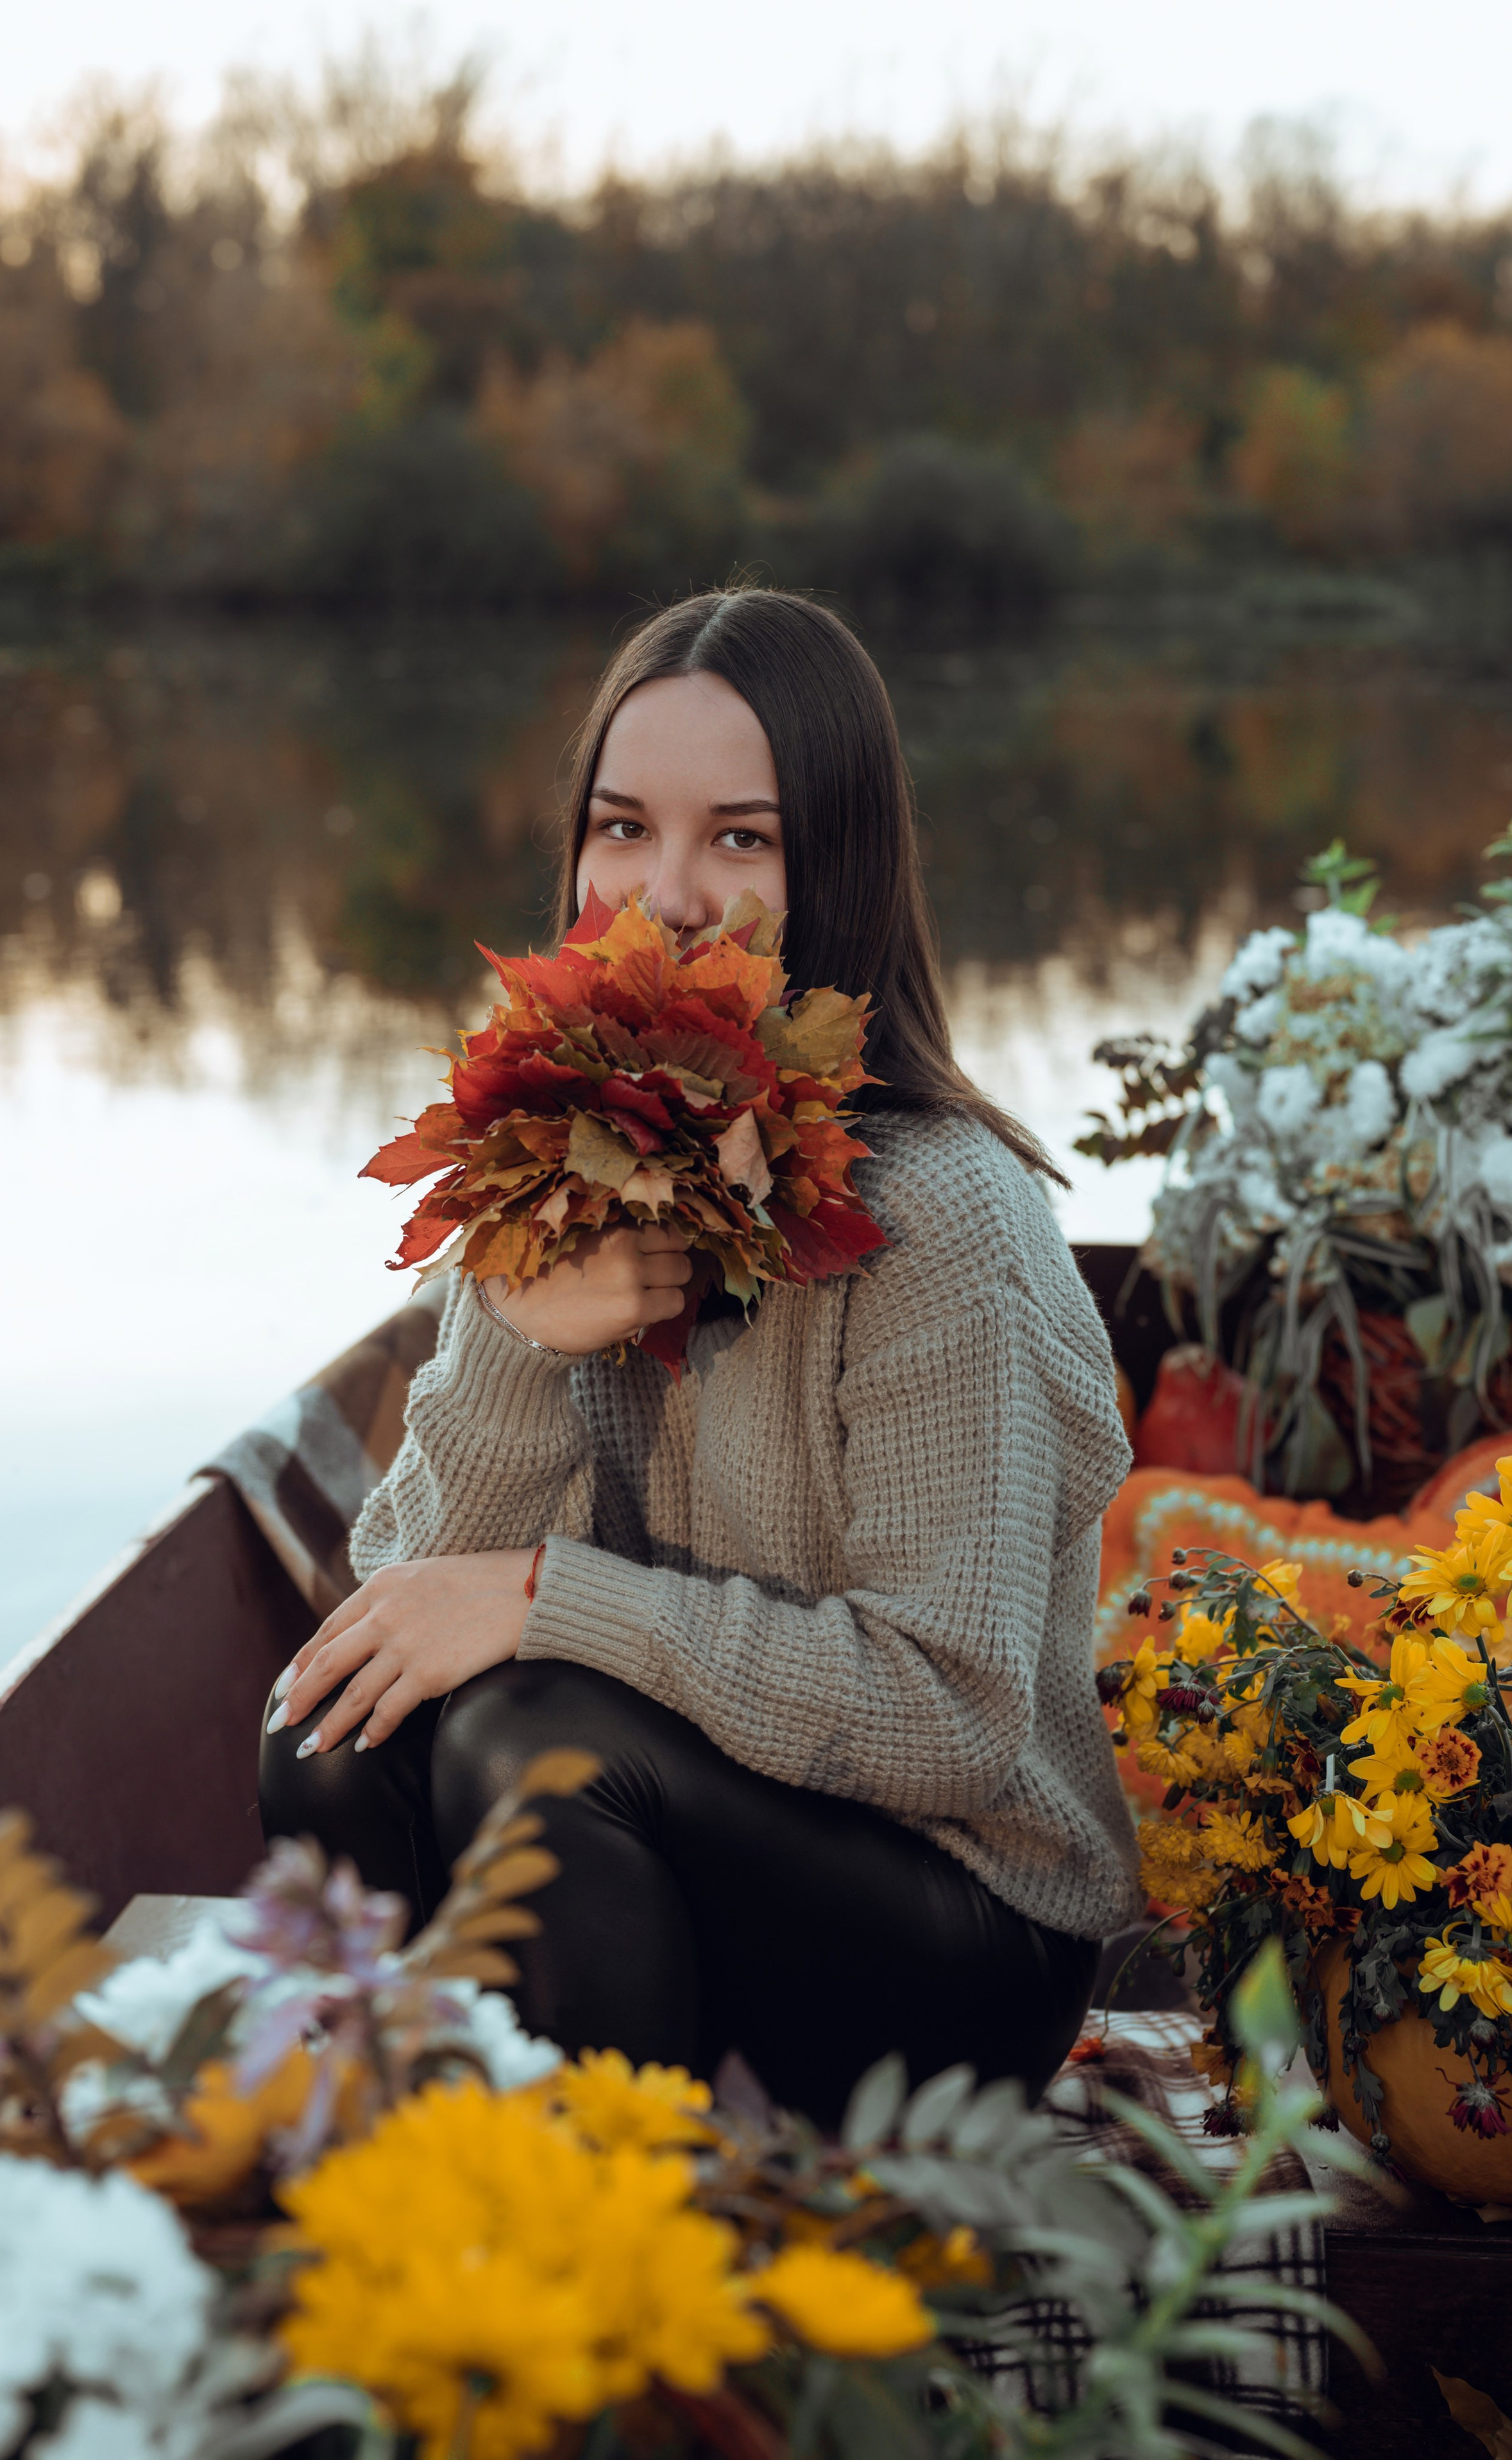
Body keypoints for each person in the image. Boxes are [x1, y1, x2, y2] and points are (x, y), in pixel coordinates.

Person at [259, 586, 1138, 2129]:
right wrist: (525, 1338)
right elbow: (408, 1593)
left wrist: (551, 1601)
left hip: (956, 1930)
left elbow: (950, 1717)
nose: (659, 893)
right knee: (332, 1734)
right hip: (679, 1845)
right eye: (620, 830)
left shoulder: (944, 1222)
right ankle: (433, 2173)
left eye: (740, 839)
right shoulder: (552, 1153)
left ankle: (632, 2267)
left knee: (539, 1741)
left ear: (834, 868)